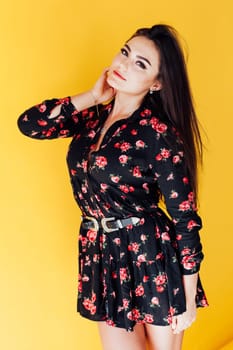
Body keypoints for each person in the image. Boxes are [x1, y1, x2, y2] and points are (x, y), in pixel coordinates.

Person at [18, 24, 208, 350]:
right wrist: (92, 96)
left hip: (150, 254)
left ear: (157, 83)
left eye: (140, 64)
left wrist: (188, 300)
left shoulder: (157, 132)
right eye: (125, 52)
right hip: (101, 254)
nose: (123, 65)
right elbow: (31, 124)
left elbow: (185, 219)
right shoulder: (93, 116)